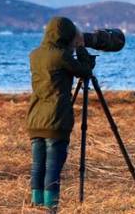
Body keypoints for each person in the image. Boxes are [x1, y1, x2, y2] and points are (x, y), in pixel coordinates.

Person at [26, 17, 95, 210]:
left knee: (38, 165)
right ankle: (51, 208)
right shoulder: (62, 57)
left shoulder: (35, 55)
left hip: (35, 118)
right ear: (67, 35)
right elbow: (85, 71)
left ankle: (36, 204)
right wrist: (81, 48)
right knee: (53, 167)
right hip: (55, 119)